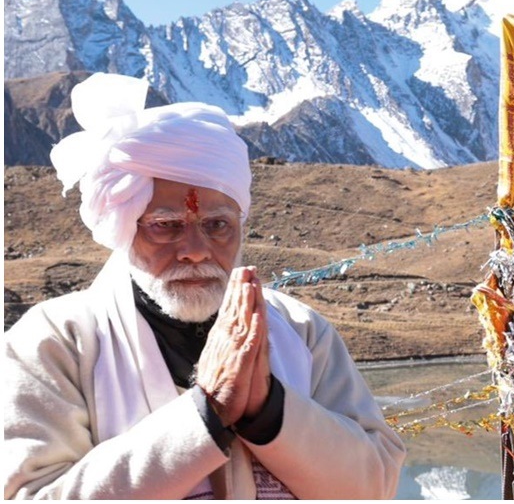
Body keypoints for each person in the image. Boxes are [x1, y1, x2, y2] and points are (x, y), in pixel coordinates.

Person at [3, 73, 406, 499]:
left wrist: (269, 412)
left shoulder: (302, 330)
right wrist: (205, 414)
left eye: (217, 225)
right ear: (123, 228)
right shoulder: (56, 341)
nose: (195, 250)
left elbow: (374, 485)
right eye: (165, 226)